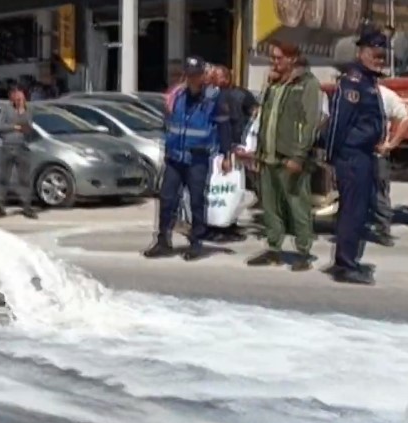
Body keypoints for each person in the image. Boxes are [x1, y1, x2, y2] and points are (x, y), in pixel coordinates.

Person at [244, 40, 323, 272]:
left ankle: (303, 251)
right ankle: (274, 248)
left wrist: (299, 156)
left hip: (290, 157)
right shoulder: (273, 84)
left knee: (297, 205)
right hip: (268, 156)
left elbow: (309, 124)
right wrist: (258, 154)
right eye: (273, 58)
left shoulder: (307, 84)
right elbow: (264, 120)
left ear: (292, 59)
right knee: (270, 206)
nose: (274, 62)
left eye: (278, 58)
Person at [144, 56, 232, 261]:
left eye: (195, 75)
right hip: (175, 158)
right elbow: (168, 123)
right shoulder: (179, 96)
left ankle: (196, 242)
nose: (191, 79)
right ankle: (163, 241)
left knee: (196, 202)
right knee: (166, 199)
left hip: (197, 158)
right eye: (189, 75)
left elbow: (224, 128)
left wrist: (226, 155)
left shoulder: (213, 99)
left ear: (202, 76)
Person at [323, 26, 389, 285]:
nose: (378, 59)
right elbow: (339, 122)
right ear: (361, 52)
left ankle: (345, 259)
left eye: (382, 56)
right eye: (374, 54)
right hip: (352, 156)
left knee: (357, 211)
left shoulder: (368, 81)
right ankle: (346, 265)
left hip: (363, 154)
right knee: (353, 211)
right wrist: (331, 157)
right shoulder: (352, 82)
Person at [372, 72, 408, 247]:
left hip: (378, 153)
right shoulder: (352, 93)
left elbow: (404, 118)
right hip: (354, 154)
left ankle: (382, 229)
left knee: (380, 193)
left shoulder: (386, 95)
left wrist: (391, 144)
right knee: (350, 193)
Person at [0, 85, 38, 219]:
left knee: (24, 179)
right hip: (7, 146)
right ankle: (0, 207)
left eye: (21, 98)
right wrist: (14, 126)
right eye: (17, 98)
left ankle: (27, 207)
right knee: (3, 179)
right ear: (12, 98)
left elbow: (29, 126)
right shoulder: (6, 110)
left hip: (22, 147)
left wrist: (23, 116)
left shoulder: (29, 109)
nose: (19, 101)